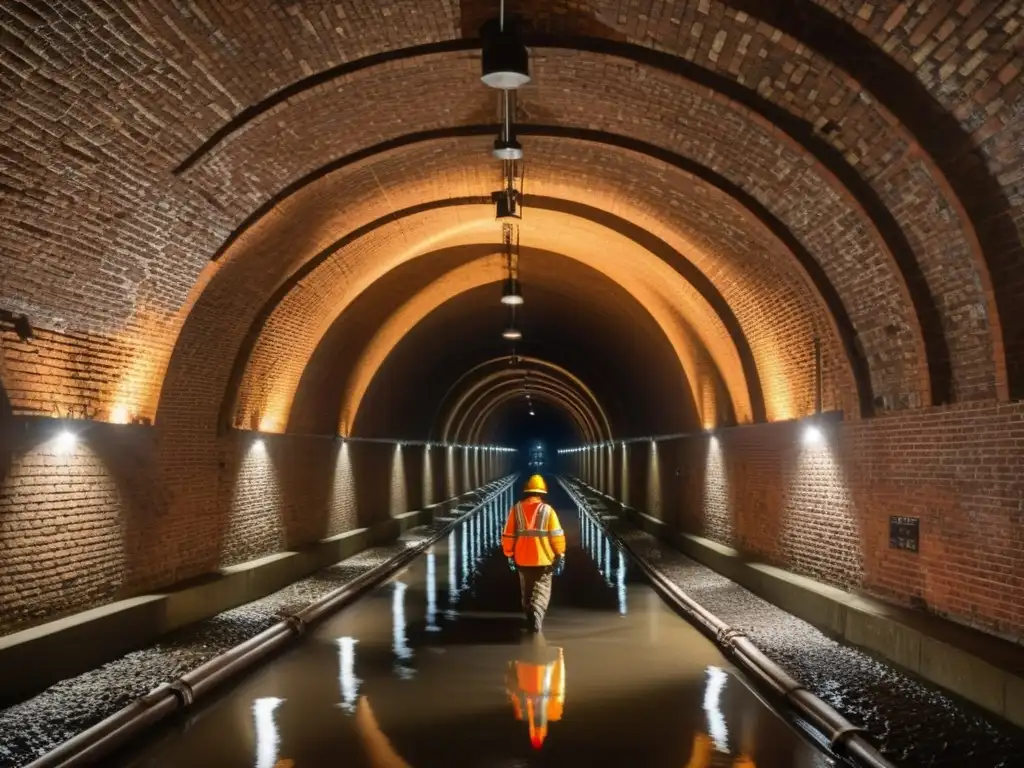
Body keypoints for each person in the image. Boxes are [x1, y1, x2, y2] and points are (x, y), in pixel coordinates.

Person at [501, 474, 566, 633]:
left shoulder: (516, 510)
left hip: (522, 560)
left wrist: (509, 554)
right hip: (543, 560)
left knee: (527, 591)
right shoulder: (548, 511)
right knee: (542, 591)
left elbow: (508, 535)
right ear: (542, 493)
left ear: (526, 492)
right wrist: (560, 554)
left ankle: (529, 615)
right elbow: (556, 536)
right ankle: (536, 619)